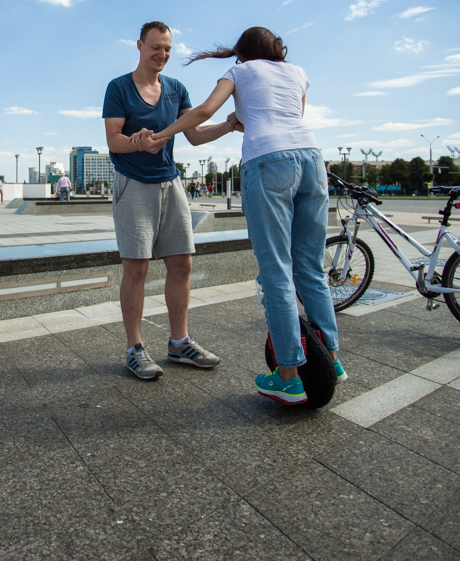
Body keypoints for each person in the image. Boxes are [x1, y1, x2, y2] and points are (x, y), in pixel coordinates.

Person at [137, 26, 346, 403]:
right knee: (311, 267)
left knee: (276, 272)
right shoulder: (297, 72)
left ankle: (289, 376)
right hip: (312, 159)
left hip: (268, 162)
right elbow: (292, 116)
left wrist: (163, 134)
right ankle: (332, 359)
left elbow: (204, 111)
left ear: (243, 54)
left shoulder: (240, 72)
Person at [103, 21, 239, 380]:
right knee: (137, 267)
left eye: (167, 48)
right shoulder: (119, 88)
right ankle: (134, 348)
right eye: (155, 48)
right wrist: (137, 141)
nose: (162, 54)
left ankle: (179, 342)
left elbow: (193, 135)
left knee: (182, 264)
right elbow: (113, 140)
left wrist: (227, 125)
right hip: (133, 183)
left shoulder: (175, 89)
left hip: (170, 182)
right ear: (139, 46)